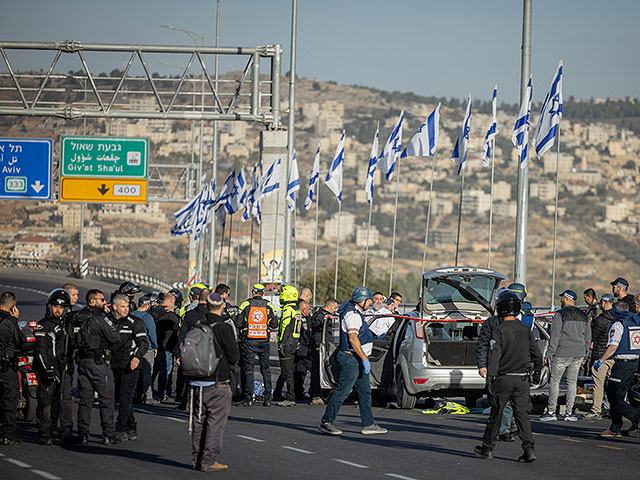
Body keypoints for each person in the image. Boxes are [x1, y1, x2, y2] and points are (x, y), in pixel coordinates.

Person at [473, 290, 543, 462]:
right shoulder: (525, 329)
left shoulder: (499, 330)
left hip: (503, 379)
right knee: (523, 416)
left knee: (495, 414)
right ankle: (529, 449)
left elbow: (495, 356)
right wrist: (535, 376)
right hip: (521, 379)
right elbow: (538, 356)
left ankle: (487, 448)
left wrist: (490, 379)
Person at [319, 287, 387, 436]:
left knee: (365, 392)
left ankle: (368, 424)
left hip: (356, 358)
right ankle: (326, 421)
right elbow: (353, 339)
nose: (370, 303)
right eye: (369, 300)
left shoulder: (354, 312)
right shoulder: (353, 315)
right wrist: (364, 359)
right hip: (351, 359)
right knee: (342, 391)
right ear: (362, 301)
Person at [189, 292, 240, 472]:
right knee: (215, 422)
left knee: (198, 422)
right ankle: (208, 460)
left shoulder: (197, 324)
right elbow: (234, 355)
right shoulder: (223, 327)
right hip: (217, 382)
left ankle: (197, 459)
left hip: (197, 382)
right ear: (222, 306)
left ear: (206, 306)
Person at [74, 289, 121, 445]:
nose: (104, 302)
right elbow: (115, 337)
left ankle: (83, 434)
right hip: (99, 362)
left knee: (84, 400)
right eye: (101, 300)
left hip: (82, 361)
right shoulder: (102, 318)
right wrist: (109, 317)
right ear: (92, 301)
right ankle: (108, 434)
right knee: (106, 399)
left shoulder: (77, 316)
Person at [540, 289, 591, 422]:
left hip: (561, 353)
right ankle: (569, 413)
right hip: (578, 353)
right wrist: (585, 355)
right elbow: (587, 338)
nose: (561, 299)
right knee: (572, 383)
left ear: (567, 299)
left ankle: (551, 412)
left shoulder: (560, 314)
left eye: (562, 297)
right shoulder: (584, 316)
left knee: (554, 382)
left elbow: (555, 336)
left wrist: (549, 354)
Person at [596, 302, 640, 438]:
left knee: (614, 395)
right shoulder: (636, 322)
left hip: (622, 364)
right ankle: (615, 427)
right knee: (624, 394)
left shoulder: (618, 324)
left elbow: (613, 347)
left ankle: (636, 419)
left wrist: (601, 360)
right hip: (634, 363)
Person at [33, 289, 72, 445]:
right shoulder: (43, 325)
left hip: (61, 368)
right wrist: (47, 368)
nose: (58, 310)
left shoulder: (65, 326)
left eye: (61, 307)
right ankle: (44, 433)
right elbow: (41, 351)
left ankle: (55, 430)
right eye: (55, 306)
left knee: (59, 401)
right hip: (46, 369)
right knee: (45, 401)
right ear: (49, 307)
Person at [111, 294, 148, 442]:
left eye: (127, 306)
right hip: (113, 365)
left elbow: (143, 343)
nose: (126, 309)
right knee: (120, 397)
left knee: (126, 397)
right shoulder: (109, 322)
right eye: (122, 306)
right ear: (115, 307)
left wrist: (137, 357)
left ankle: (121, 428)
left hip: (130, 366)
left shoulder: (135, 322)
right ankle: (132, 427)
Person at [235, 284, 277, 406]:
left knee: (249, 369)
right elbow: (274, 325)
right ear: (263, 293)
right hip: (264, 341)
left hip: (250, 341)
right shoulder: (269, 306)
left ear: (253, 292)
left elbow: (238, 323)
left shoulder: (245, 305)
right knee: (266, 369)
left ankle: (249, 398)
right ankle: (268, 398)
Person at [0, 291, 32, 445]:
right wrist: (15, 319)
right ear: (13, 306)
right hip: (6, 367)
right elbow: (20, 342)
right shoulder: (10, 321)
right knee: (9, 400)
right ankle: (8, 434)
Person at [177, 288, 210, 409]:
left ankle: (186, 401)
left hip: (191, 350)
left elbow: (182, 334)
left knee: (189, 377)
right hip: (207, 351)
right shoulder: (212, 315)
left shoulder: (190, 314)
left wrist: (178, 353)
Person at [584, 293, 616, 419]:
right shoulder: (618, 317)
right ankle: (613, 408)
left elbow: (592, 336)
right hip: (614, 356)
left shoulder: (601, 319)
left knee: (599, 384)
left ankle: (596, 409)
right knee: (614, 384)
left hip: (601, 356)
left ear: (602, 303)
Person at [275, 286, 303, 407]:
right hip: (294, 343)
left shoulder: (287, 310)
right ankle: (277, 392)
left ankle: (290, 397)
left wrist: (281, 343)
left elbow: (285, 327)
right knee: (286, 370)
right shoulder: (296, 310)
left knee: (287, 371)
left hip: (287, 344)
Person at [308, 298, 338, 405]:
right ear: (329, 306)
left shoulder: (328, 316)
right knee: (317, 372)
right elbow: (318, 328)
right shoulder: (320, 315)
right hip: (319, 347)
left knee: (325, 371)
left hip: (327, 347)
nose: (336, 310)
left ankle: (322, 393)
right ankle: (315, 395)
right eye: (335, 308)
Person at [152, 290, 180, 402]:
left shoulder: (154, 311)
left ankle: (146, 392)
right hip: (167, 347)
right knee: (165, 372)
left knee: (153, 371)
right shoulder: (171, 314)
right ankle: (162, 394)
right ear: (172, 300)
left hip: (155, 346)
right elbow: (177, 328)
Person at [131, 294, 159, 405]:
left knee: (134, 372)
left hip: (133, 347)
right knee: (147, 373)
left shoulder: (131, 315)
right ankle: (148, 396)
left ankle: (132, 395)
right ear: (147, 306)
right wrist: (155, 346)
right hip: (146, 347)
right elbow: (152, 333)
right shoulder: (148, 317)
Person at [293, 300, 312, 401]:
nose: (310, 311)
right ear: (304, 310)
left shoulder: (296, 316)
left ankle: (298, 392)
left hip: (299, 349)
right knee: (312, 370)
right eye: (309, 309)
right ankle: (311, 392)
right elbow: (306, 334)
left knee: (300, 372)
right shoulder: (303, 319)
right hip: (304, 350)